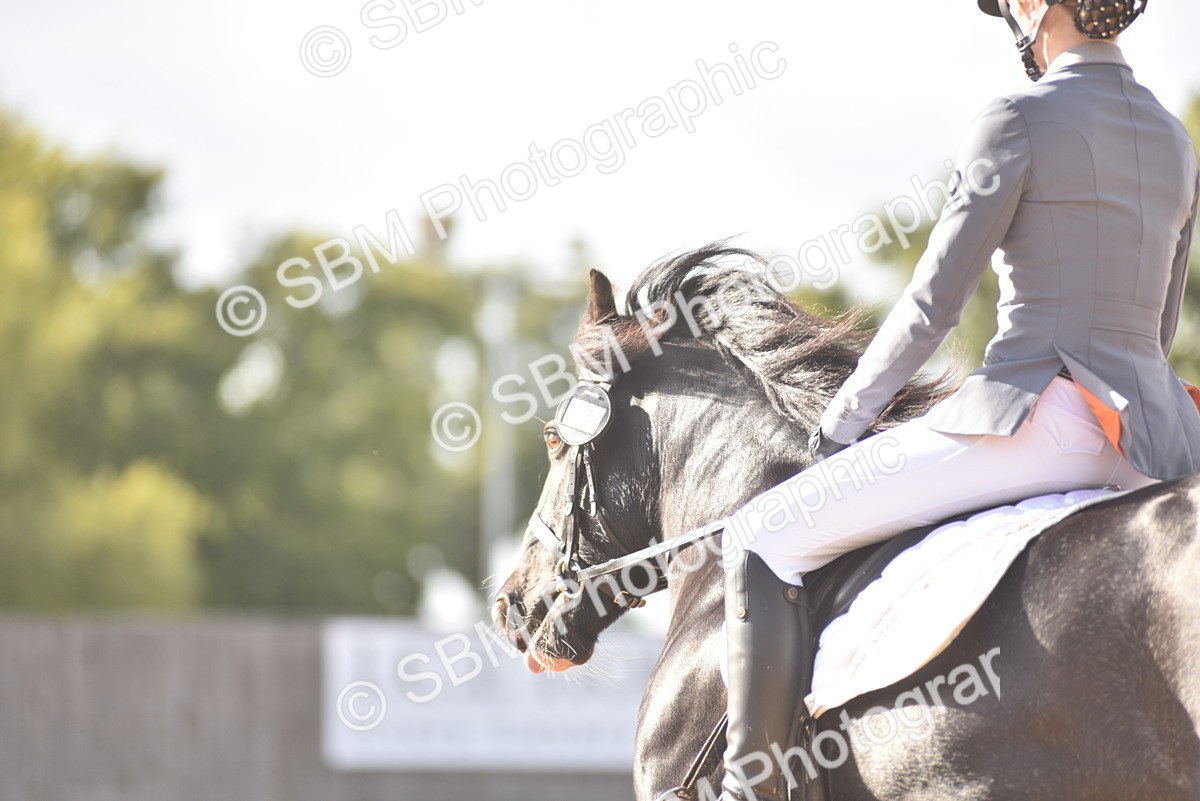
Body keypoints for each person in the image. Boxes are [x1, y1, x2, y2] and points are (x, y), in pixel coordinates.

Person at [674, 1, 1200, 800]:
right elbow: (1159, 327)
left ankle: (752, 790)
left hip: (1042, 417)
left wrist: (845, 420)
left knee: (758, 532)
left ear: (1037, 8)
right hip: (1157, 439)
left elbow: (933, 303)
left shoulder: (1018, 117)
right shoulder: (1174, 138)